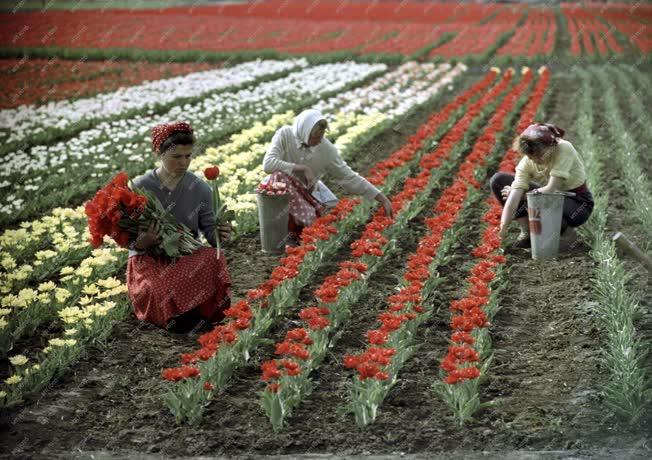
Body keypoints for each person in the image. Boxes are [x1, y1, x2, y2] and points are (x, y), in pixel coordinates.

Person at [126, 122, 232, 333]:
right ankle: (179, 315)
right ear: (159, 153)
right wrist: (142, 241)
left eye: (187, 156)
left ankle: (194, 312)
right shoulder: (140, 187)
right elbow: (126, 237)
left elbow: (210, 234)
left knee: (214, 257)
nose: (183, 162)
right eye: (176, 157)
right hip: (149, 257)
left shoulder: (199, 187)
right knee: (159, 288)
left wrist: (221, 234)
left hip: (186, 255)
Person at [262, 109, 393, 242]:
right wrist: (303, 169)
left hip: (306, 194)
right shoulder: (285, 135)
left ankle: (301, 227)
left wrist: (382, 198)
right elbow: (268, 164)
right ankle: (298, 224)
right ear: (304, 132)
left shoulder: (326, 149)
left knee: (328, 223)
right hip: (279, 193)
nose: (319, 141)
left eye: (321, 136)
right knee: (280, 176)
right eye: (314, 137)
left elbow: (348, 176)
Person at [490, 123, 594, 249]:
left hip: (577, 203)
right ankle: (527, 233)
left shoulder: (564, 148)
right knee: (499, 180)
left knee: (543, 200)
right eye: (530, 156)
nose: (534, 160)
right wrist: (502, 229)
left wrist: (523, 197)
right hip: (549, 197)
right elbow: (513, 198)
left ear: (551, 146)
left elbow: (551, 189)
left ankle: (566, 233)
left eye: (539, 155)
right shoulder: (528, 162)